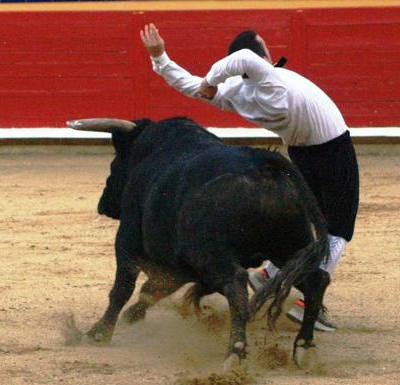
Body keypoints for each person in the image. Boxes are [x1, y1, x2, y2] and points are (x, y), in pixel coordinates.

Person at [140, 24, 359, 331]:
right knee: (337, 229)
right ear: (261, 54)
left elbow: (189, 86)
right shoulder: (268, 80)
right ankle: (308, 303)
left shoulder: (237, 94)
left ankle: (268, 273)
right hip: (332, 151)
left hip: (301, 155)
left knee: (309, 222)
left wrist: (160, 58)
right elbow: (242, 56)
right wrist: (211, 79)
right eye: (264, 45)